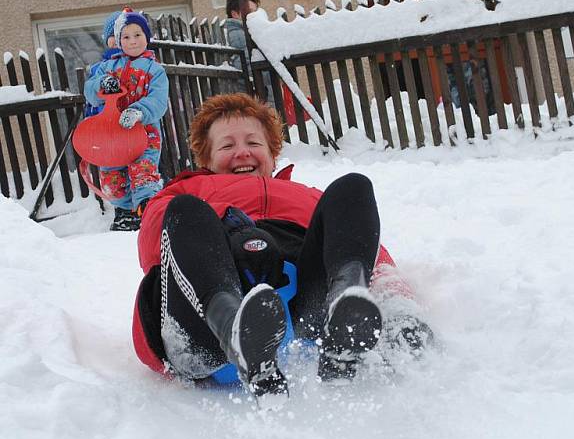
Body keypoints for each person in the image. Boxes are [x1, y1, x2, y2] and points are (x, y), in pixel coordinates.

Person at [132, 93, 432, 406]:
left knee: (352, 188)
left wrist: (399, 306)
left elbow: (371, 253)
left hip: (305, 305)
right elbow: (155, 243)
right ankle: (234, 330)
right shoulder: (188, 191)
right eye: (227, 146)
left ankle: (344, 311)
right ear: (206, 161)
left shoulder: (308, 196)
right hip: (210, 317)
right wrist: (230, 223)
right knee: (183, 212)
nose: (242, 153)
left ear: (273, 154)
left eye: (253, 143)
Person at [84, 8, 169, 230]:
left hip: (144, 131)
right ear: (118, 41)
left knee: (143, 170)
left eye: (138, 35)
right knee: (112, 171)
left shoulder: (155, 70)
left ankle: (147, 210)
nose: (132, 41)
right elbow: (90, 90)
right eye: (126, 37)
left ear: (147, 37)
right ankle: (123, 212)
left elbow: (159, 100)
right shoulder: (107, 68)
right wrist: (101, 84)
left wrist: (139, 111)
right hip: (113, 131)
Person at [84, 10, 123, 118]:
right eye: (112, 35)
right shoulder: (99, 68)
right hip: (106, 121)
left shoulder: (139, 63)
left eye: (121, 35)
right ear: (106, 39)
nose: (116, 39)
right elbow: (90, 94)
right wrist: (101, 84)